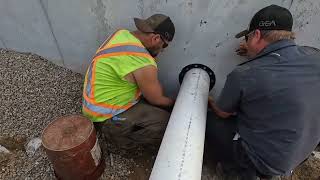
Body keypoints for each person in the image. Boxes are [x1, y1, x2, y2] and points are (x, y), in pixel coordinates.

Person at [206, 5, 320, 180]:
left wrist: (208, 99)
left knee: (210, 121)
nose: (246, 41)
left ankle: (236, 171)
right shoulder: (314, 55)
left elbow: (223, 112)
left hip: (263, 163)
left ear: (256, 35)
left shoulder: (245, 73)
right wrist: (257, 53)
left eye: (247, 36)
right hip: (298, 155)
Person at [82, 14, 175, 150]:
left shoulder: (120, 34)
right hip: (107, 117)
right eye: (164, 45)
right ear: (156, 38)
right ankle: (117, 140)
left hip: (92, 107)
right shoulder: (143, 62)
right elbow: (157, 99)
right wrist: (176, 104)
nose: (162, 50)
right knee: (170, 126)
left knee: (152, 103)